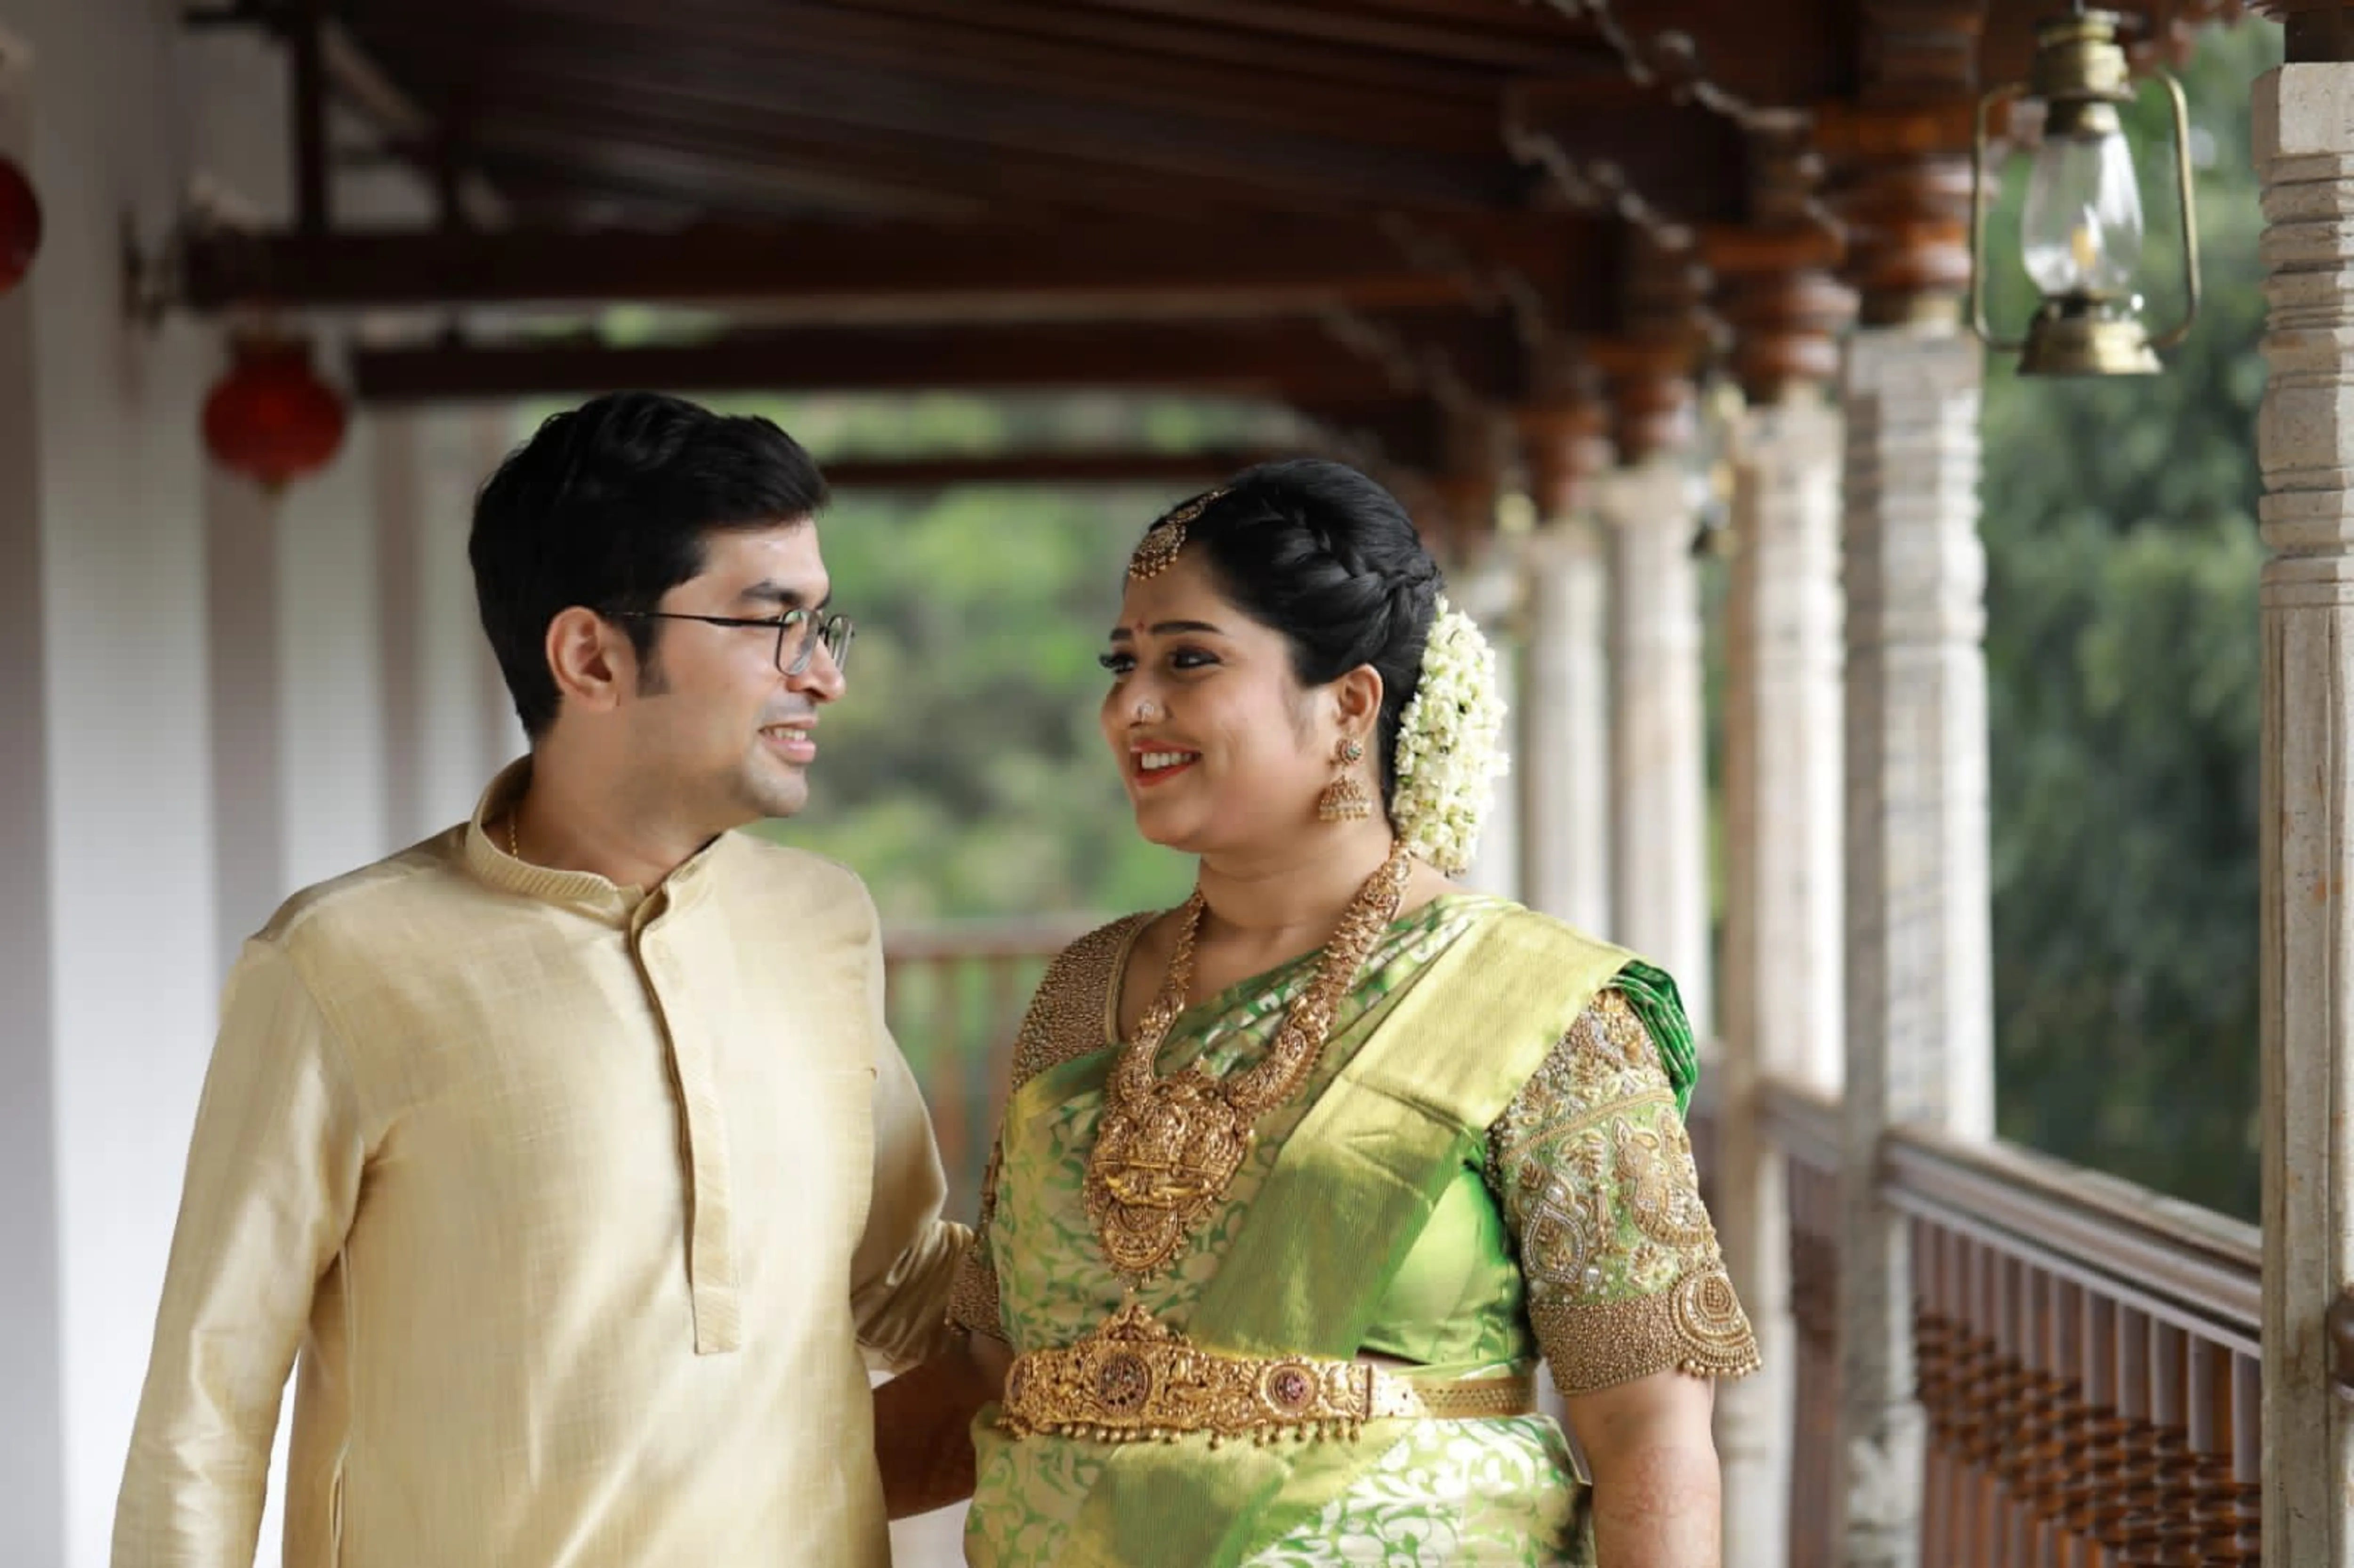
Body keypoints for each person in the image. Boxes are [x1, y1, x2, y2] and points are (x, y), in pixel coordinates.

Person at [112, 391, 967, 1568]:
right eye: (772, 622)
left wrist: (1172, 1256)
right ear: (591, 657)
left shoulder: (823, 923)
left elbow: (898, 1277)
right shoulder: (340, 964)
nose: (822, 674)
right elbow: (206, 1410)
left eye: (822, 624)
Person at [941, 459, 1759, 1565]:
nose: (1131, 706)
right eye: (1121, 662)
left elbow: (1648, 1430)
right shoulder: (1085, 991)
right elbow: (992, 1366)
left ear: (1349, 704)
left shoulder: (1536, 1007)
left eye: (1189, 659)